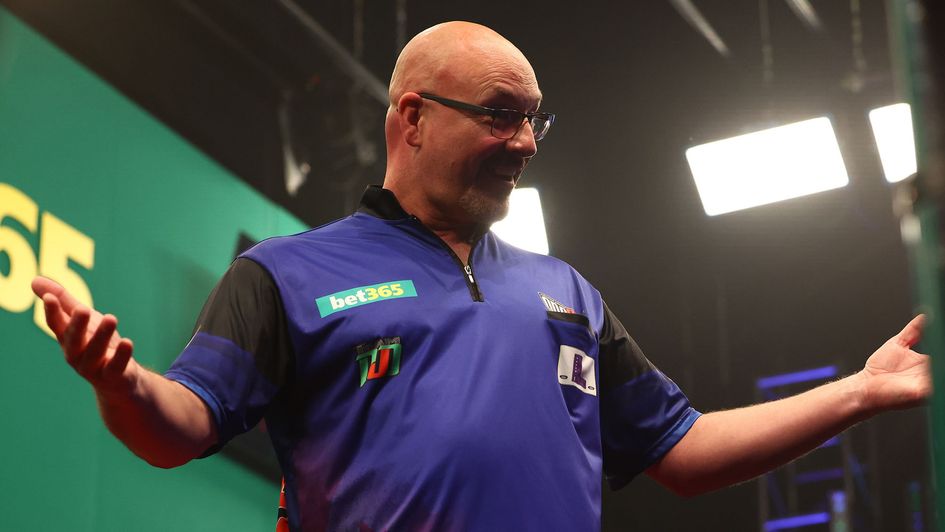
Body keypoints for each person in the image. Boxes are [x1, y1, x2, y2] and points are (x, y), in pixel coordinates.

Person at [32, 21, 931, 532]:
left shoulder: (567, 293)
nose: (526, 143)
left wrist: (857, 392)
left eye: (535, 120)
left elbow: (682, 452)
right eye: (501, 115)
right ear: (413, 118)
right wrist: (121, 384)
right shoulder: (284, 275)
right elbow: (179, 427)